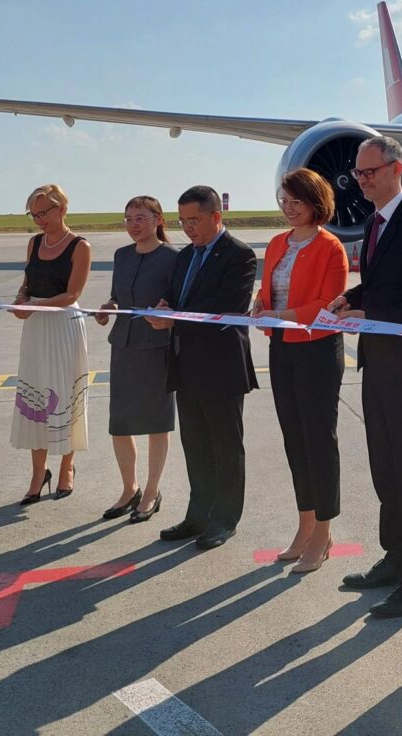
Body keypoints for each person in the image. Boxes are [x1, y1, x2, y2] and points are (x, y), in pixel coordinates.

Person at [331, 135, 402, 618]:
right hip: (378, 360)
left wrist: (367, 309)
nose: (362, 181)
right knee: (385, 465)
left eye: (370, 172)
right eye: (358, 174)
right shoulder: (375, 222)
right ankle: (394, 558)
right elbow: (383, 284)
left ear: (397, 169)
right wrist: (353, 298)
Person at [147, 185, 258, 550]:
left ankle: (225, 519)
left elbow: (226, 307)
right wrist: (167, 306)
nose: (188, 228)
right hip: (186, 364)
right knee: (195, 445)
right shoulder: (185, 257)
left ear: (216, 216)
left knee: (225, 447)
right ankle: (198, 515)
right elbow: (182, 300)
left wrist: (174, 319)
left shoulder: (240, 256)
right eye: (183, 221)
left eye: (194, 220)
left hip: (221, 367)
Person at [251, 168, 349, 573]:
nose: (289, 209)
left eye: (297, 202)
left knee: (317, 439)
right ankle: (305, 524)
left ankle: (324, 531)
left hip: (317, 351)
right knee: (294, 437)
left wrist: (280, 314)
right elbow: (267, 288)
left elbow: (329, 304)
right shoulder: (277, 243)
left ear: (316, 203)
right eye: (284, 201)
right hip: (282, 349)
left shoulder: (331, 247)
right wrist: (260, 308)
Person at [94, 196, 178, 523]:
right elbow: (119, 298)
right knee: (121, 423)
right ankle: (130, 488)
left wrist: (168, 311)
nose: (133, 225)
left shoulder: (173, 258)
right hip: (124, 346)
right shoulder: (122, 255)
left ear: (159, 220)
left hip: (157, 347)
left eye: (140, 218)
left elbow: (177, 302)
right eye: (128, 218)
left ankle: (152, 491)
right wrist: (108, 308)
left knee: (157, 423)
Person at [10, 184, 91, 505]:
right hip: (35, 329)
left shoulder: (80, 246)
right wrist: (20, 300)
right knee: (35, 394)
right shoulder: (33, 243)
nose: (39, 219)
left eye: (44, 212)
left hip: (63, 325)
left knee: (64, 391)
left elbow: (73, 295)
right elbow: (28, 283)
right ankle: (37, 472)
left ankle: (67, 466)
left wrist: (34, 307)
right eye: (34, 214)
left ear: (62, 210)